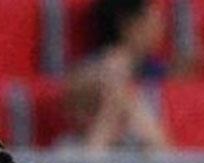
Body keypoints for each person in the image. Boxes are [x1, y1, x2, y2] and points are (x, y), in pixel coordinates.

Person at [59, 0, 169, 151]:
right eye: (153, 21)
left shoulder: (152, 67)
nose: (160, 28)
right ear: (129, 25)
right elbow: (76, 108)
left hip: (134, 151)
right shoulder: (93, 69)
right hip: (96, 146)